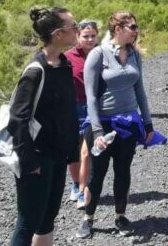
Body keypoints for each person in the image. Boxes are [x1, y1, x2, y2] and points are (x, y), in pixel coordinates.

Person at [77, 11, 154, 238]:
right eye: (132, 26)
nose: (136, 30)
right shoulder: (98, 54)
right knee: (97, 173)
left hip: (128, 123)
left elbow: (140, 90)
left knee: (123, 171)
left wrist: (147, 123)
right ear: (118, 29)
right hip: (102, 124)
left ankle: (120, 216)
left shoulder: (134, 54)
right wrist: (98, 130)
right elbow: (90, 96)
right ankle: (88, 218)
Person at [8, 6, 79, 246]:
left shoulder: (63, 64)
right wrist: (30, 163)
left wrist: (70, 151)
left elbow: (64, 112)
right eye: (74, 27)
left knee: (48, 218)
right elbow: (17, 120)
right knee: (28, 222)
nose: (77, 31)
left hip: (57, 155)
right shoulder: (35, 71)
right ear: (58, 34)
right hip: (37, 159)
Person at [63, 20, 99, 210]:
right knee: (74, 150)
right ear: (77, 36)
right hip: (74, 108)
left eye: (93, 35)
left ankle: (85, 186)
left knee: (89, 151)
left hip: (96, 107)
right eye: (86, 36)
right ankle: (76, 184)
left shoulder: (102, 54)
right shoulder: (67, 57)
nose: (90, 39)